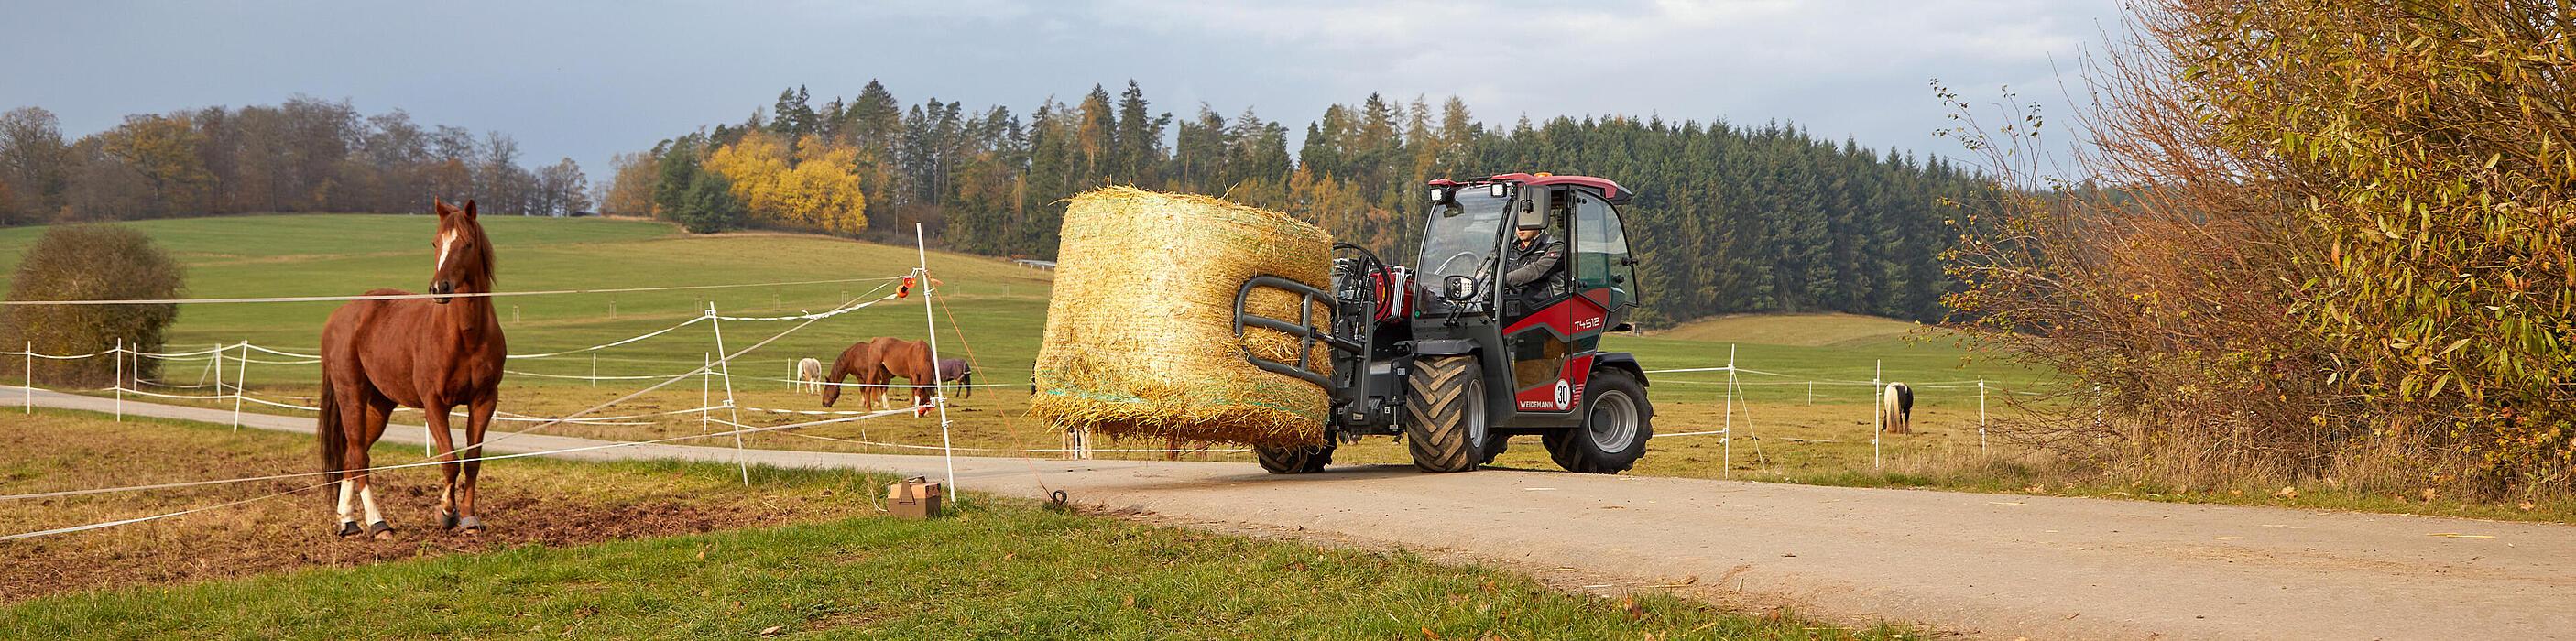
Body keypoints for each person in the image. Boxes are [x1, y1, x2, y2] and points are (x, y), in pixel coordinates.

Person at [1502, 217, 1565, 307]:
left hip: (1547, 307)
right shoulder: (1509, 248)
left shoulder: (1555, 247)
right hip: (1516, 305)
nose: (1520, 228)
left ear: (1538, 222)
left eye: (1524, 223)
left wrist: (1501, 280)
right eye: (1517, 224)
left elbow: (1535, 270)